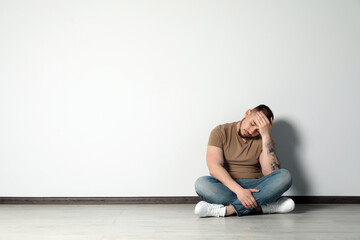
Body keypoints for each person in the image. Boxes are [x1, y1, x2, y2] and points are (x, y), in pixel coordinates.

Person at [194, 104, 295, 217]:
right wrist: (239, 191)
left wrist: (265, 135)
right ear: (247, 113)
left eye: (258, 130)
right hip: (228, 185)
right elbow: (214, 167)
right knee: (201, 183)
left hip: (256, 187)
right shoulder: (220, 132)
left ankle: (227, 210)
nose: (251, 131)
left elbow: (271, 174)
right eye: (252, 123)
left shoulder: (266, 140)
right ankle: (262, 207)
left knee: (285, 176)